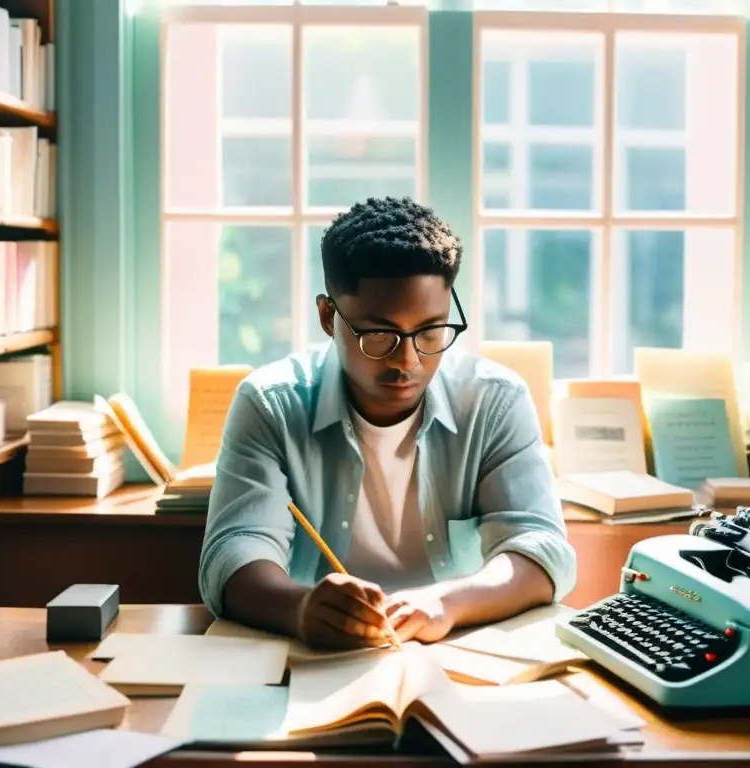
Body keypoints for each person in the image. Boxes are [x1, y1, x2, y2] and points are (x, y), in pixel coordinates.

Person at [198, 196, 576, 650]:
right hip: (312, 656)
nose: (407, 361)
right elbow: (234, 552)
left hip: (461, 651)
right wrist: (299, 608)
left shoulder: (494, 402)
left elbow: (541, 548)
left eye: (431, 331)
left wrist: (447, 602)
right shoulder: (271, 404)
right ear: (327, 316)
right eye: (380, 334)